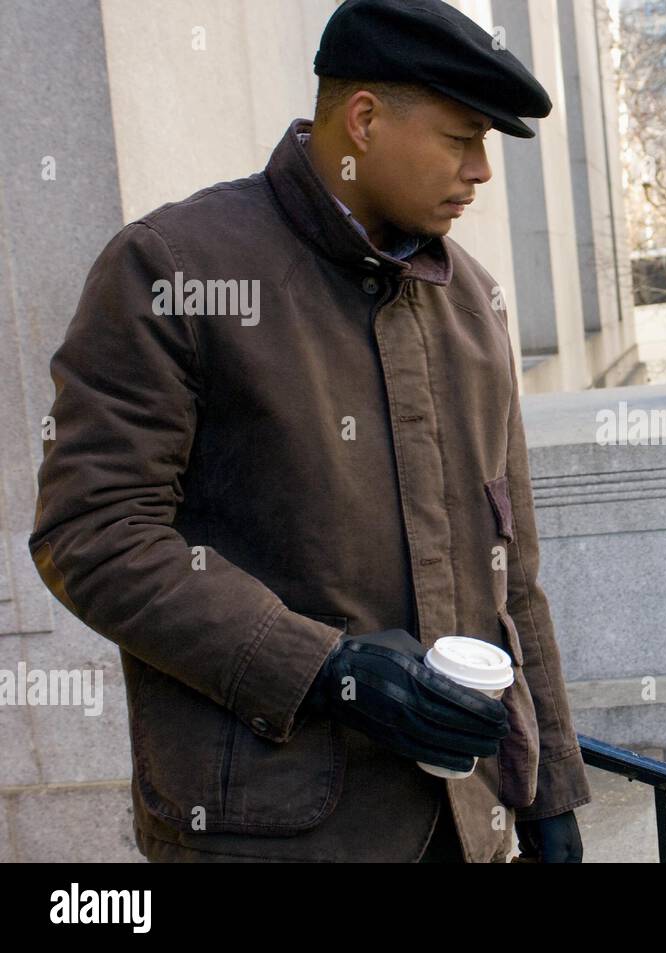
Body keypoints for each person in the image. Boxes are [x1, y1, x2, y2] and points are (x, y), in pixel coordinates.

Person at [28, 0, 590, 863]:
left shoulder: (474, 300)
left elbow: (513, 579)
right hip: (266, 839)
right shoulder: (172, 268)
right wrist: (327, 669)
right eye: (461, 137)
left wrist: (549, 794)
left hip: (471, 830)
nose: (481, 170)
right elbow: (92, 535)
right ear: (363, 119)